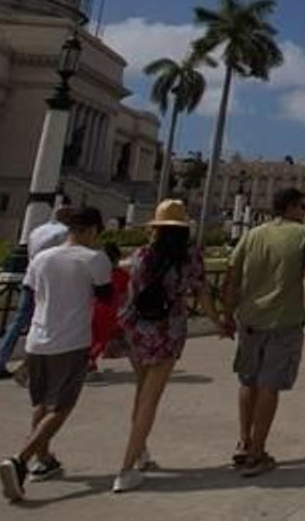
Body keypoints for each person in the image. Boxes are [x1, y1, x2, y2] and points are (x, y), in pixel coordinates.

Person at [221, 187, 305, 477]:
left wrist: (227, 315)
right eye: (302, 205)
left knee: (247, 381)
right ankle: (256, 453)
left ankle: (243, 442)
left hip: (248, 320)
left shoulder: (252, 235)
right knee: (269, 385)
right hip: (284, 322)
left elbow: (231, 276)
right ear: (290, 207)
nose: (304, 211)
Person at [0, 207, 112, 503]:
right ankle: (20, 460)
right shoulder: (94, 259)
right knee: (61, 407)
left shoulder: (41, 258)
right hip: (71, 341)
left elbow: (33, 296)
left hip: (37, 340)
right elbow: (105, 298)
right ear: (90, 230)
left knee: (42, 402)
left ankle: (44, 459)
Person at [112, 199, 222, 493]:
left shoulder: (142, 255)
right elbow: (203, 295)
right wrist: (219, 323)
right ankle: (125, 468)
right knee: (150, 400)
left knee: (141, 392)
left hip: (135, 329)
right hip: (167, 330)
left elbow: (129, 290)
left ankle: (141, 452)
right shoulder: (190, 258)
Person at [0, 205, 73, 381]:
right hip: (51, 284)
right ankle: (35, 365)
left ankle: (0, 360)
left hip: (30, 279)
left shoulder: (37, 230)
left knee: (19, 321)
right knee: (48, 323)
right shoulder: (64, 232)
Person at [89, 242, 131, 373]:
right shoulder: (122, 275)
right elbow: (125, 295)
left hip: (92, 306)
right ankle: (89, 360)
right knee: (103, 338)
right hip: (109, 309)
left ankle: (90, 362)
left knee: (92, 336)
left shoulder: (97, 272)